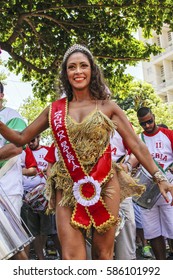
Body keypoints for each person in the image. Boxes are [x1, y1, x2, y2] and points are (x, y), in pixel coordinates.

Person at [0, 45, 173, 260]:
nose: (78, 71)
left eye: (83, 66)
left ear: (92, 71)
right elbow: (20, 138)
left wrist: (159, 177)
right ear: (66, 73)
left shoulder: (107, 106)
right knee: (72, 257)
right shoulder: (54, 109)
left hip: (105, 184)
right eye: (72, 67)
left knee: (103, 254)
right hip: (66, 185)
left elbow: (137, 146)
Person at [127, 107, 173, 259]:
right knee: (152, 232)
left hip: (168, 189)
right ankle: (161, 263)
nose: (147, 126)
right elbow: (133, 159)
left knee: (172, 228)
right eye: (143, 124)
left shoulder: (168, 135)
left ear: (153, 116)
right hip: (147, 191)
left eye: (149, 121)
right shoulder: (139, 140)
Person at [0, 81, 32, 260]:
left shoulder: (12, 116)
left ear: (1, 95)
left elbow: (16, 147)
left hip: (8, 186)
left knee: (11, 241)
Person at [22, 135, 52, 260]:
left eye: (33, 139)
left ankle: (43, 249)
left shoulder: (47, 150)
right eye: (28, 140)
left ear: (39, 138)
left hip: (44, 195)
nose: (30, 142)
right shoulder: (23, 152)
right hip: (27, 195)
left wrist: (47, 170)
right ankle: (40, 257)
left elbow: (55, 166)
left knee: (46, 229)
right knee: (31, 230)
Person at [110, 130, 137, 260]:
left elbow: (136, 148)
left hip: (119, 180)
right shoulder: (82, 120)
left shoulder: (119, 123)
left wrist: (128, 165)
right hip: (90, 184)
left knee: (126, 224)